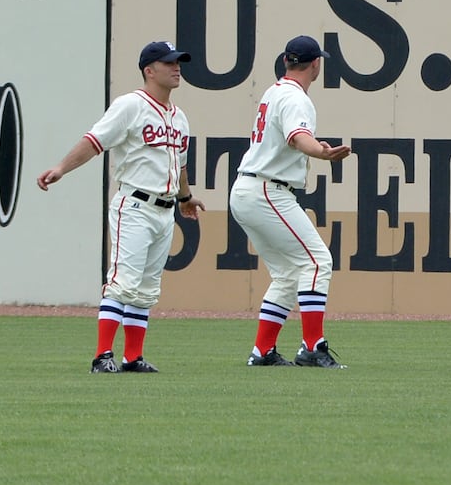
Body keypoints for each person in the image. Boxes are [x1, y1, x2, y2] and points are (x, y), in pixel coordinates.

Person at [36, 41, 205, 373]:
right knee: (123, 282)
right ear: (149, 70)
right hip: (136, 205)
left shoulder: (179, 117)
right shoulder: (130, 105)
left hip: (165, 209)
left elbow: (180, 164)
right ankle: (102, 356)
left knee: (146, 289)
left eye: (178, 62)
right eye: (169, 62)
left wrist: (185, 198)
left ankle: (133, 357)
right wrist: (60, 168)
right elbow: (94, 141)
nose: (177, 67)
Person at [232, 36, 355, 369]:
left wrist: (315, 148)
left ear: (287, 62)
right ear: (316, 64)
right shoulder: (295, 98)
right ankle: (313, 346)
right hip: (266, 189)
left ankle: (262, 351)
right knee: (317, 262)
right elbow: (298, 138)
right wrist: (322, 152)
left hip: (249, 188)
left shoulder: (274, 92)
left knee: (288, 274)